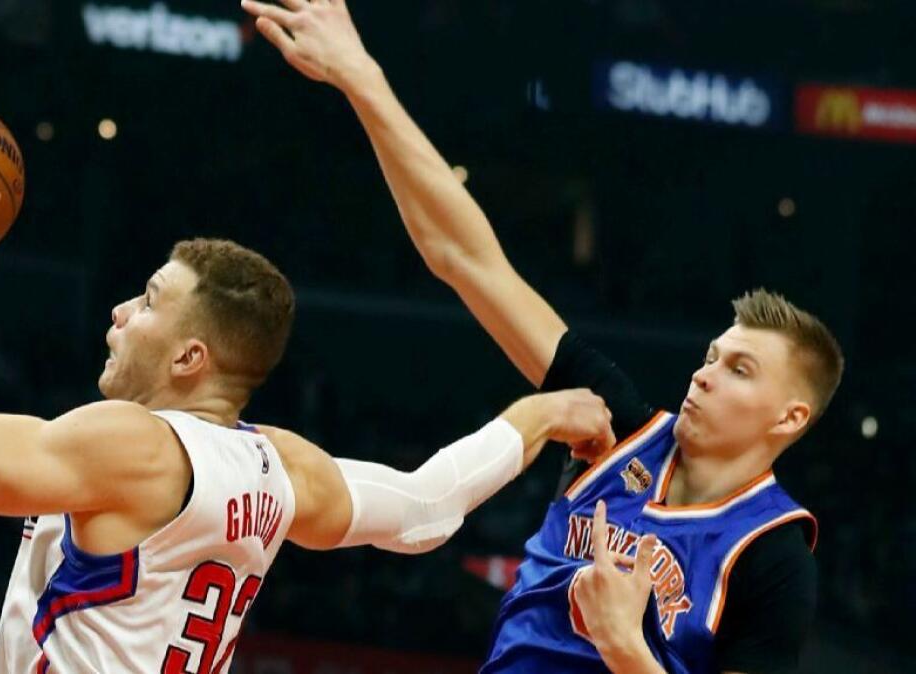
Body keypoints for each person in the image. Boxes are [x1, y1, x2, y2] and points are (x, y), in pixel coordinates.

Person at [0, 104, 619, 673]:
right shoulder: (280, 468)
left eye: (149, 300)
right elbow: (425, 508)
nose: (120, 312)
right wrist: (540, 412)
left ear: (191, 358)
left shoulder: (131, 445)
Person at [242, 1, 843, 672]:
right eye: (711, 357)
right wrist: (363, 78)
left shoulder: (775, 555)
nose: (702, 375)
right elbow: (466, 260)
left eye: (739, 370)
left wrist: (625, 648)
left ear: (790, 415)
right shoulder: (611, 423)